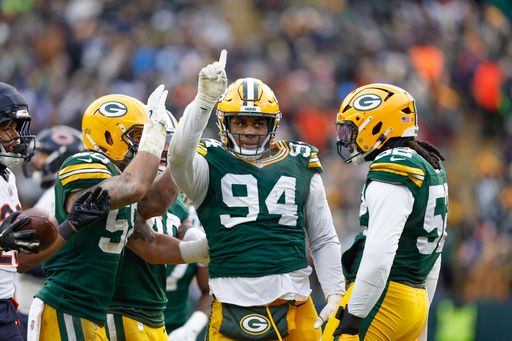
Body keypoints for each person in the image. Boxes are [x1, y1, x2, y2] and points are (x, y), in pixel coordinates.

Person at [168, 50, 344, 340]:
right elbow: (177, 156)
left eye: (258, 122)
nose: (249, 130)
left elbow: (323, 237)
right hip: (229, 305)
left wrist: (335, 291)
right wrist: (203, 102)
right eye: (240, 122)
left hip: (294, 303)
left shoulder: (300, 161)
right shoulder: (208, 164)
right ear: (225, 124)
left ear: (271, 125)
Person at [28, 88, 209, 341]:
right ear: (107, 136)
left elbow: (150, 242)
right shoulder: (85, 163)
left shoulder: (128, 191)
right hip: (67, 303)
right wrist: (155, 129)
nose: (148, 145)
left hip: (96, 312)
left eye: (144, 135)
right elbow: (132, 186)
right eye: (137, 135)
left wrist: (203, 250)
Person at [322, 83, 448, 340]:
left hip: (383, 299)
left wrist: (355, 314)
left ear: (377, 125)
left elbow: (379, 253)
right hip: (414, 299)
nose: (346, 139)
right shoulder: (428, 164)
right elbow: (435, 249)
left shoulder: (394, 166)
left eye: (350, 130)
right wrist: (421, 311)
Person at [0, 81, 112, 341]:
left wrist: (71, 225)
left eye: (18, 127)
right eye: (8, 127)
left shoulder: (8, 178)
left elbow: (20, 261)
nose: (16, 136)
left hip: (7, 305)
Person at [15, 125, 84, 338]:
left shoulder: (58, 197)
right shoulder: (54, 194)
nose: (37, 161)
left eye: (44, 154)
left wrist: (14, 251)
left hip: (41, 301)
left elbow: (48, 259)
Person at [165, 195, 212, 341]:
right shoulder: (135, 214)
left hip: (177, 325)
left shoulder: (196, 221)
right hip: (132, 321)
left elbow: (211, 289)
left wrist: (192, 327)